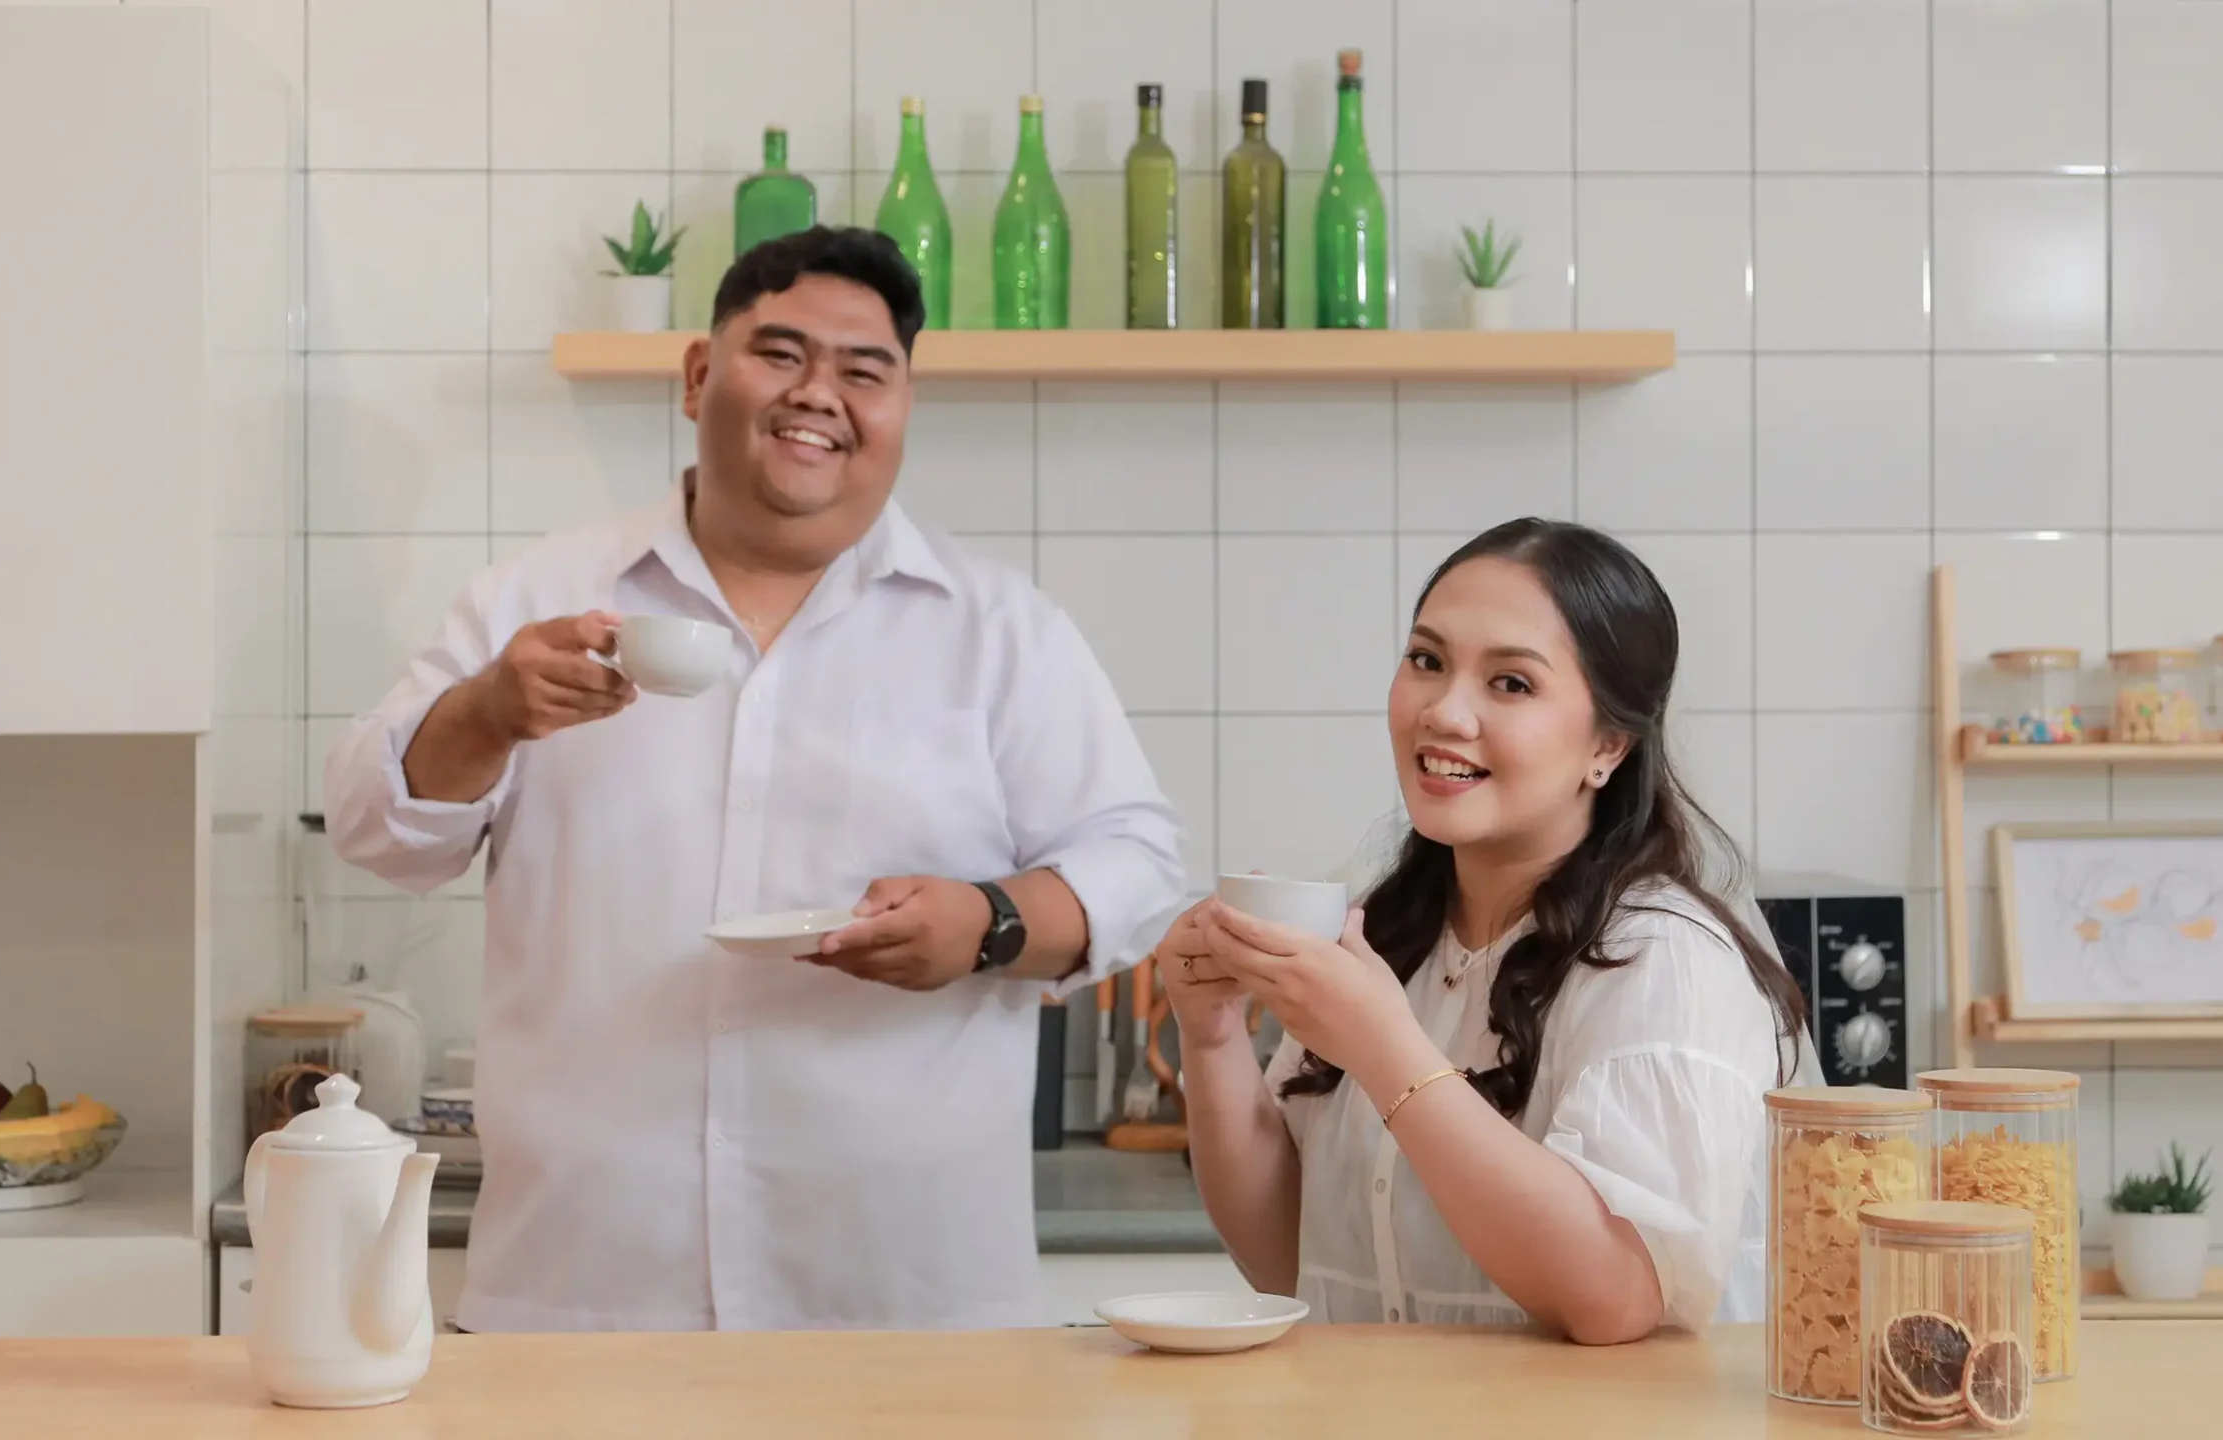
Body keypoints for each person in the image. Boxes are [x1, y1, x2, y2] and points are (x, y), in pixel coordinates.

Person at [322, 226, 1185, 1333]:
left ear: (902, 407)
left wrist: (987, 925)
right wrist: (486, 711)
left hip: (907, 1310)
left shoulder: (999, 630)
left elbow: (1137, 867)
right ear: (698, 377)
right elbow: (374, 828)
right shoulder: (537, 600)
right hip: (583, 1296)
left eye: (864, 371)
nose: (818, 393)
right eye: (780, 354)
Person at [1160, 518, 1814, 1344]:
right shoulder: (1389, 932)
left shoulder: (1667, 962)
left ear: (1609, 744)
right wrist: (1211, 1035)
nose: (1444, 711)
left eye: (1511, 683)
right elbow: (1291, 1258)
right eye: (1426, 661)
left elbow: (1615, 1298)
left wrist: (1383, 1048)